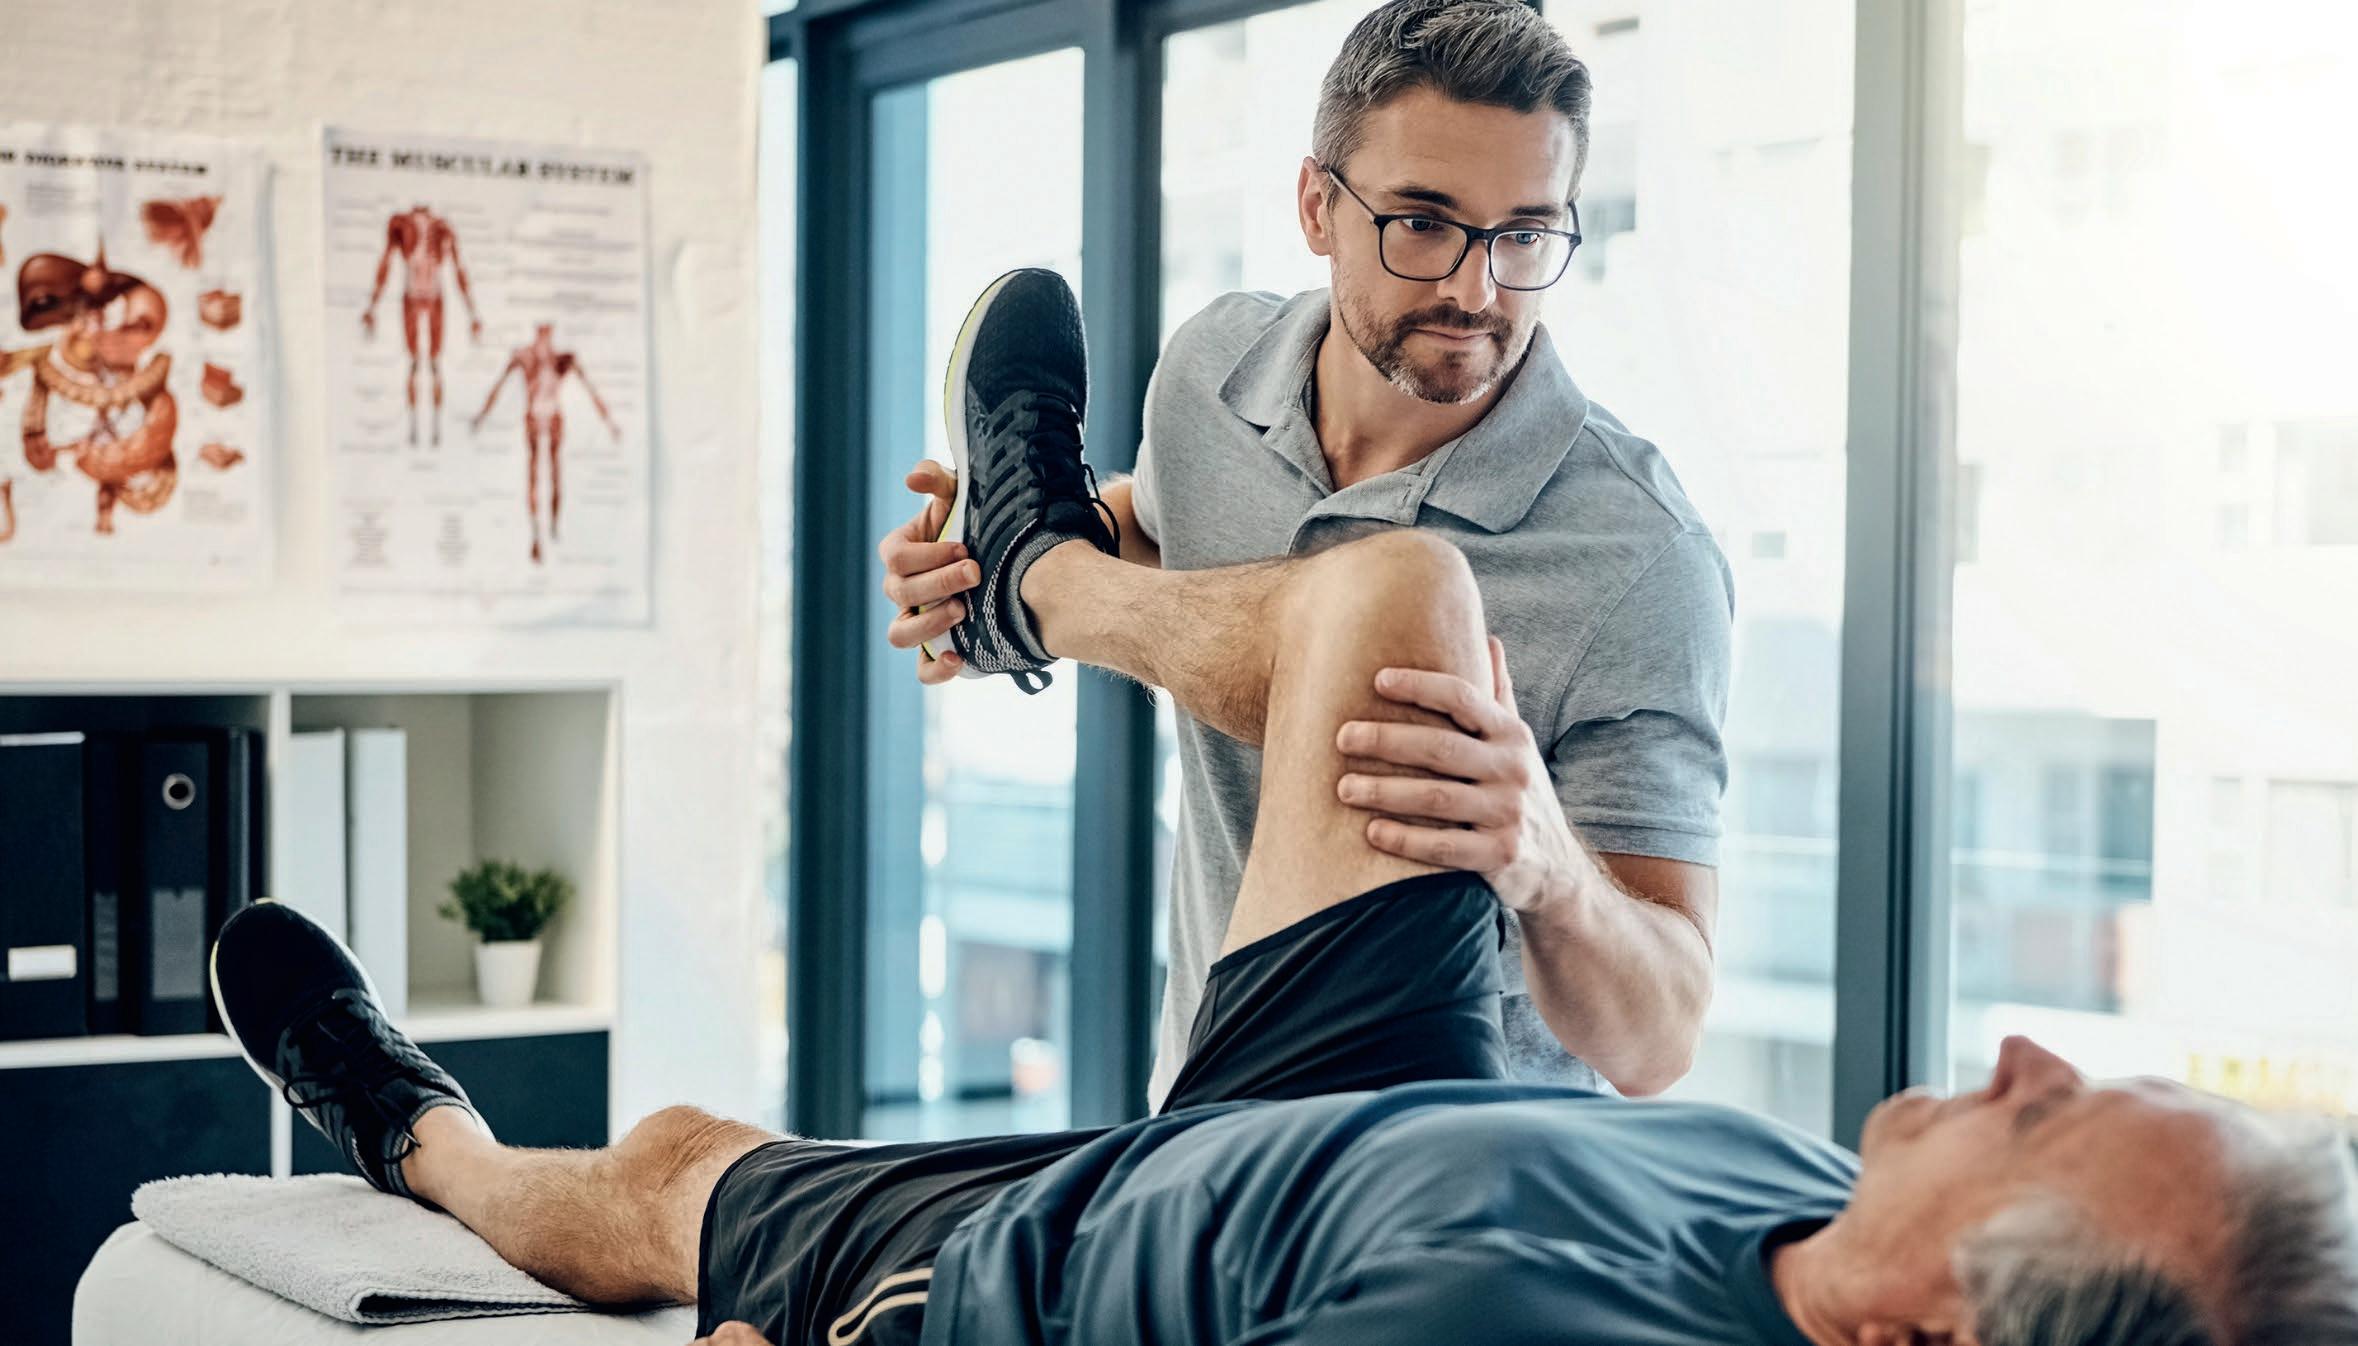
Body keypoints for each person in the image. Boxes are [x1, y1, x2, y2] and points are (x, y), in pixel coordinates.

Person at [210, 507, 2358, 1344]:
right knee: (1404, 598)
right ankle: (1044, 574)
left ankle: (408, 1124)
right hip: (1375, 1093)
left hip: (1095, 1247)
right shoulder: (1840, 1208)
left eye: (2053, 1119)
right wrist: (1529, 861)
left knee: (678, 1161)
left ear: (1939, 1336)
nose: (2025, 1052)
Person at [878, 0, 1729, 1108]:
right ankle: (1030, 573)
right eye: (1422, 222)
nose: (1474, 290)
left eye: (1525, 235)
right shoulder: (1210, 372)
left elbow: (1661, 1042)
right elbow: (1163, 529)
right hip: (1198, 1115)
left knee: (1399, 597)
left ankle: (1039, 582)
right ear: (1316, 206)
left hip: (1441, 1168)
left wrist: (1548, 863)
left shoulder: (1640, 555)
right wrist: (974, 571)